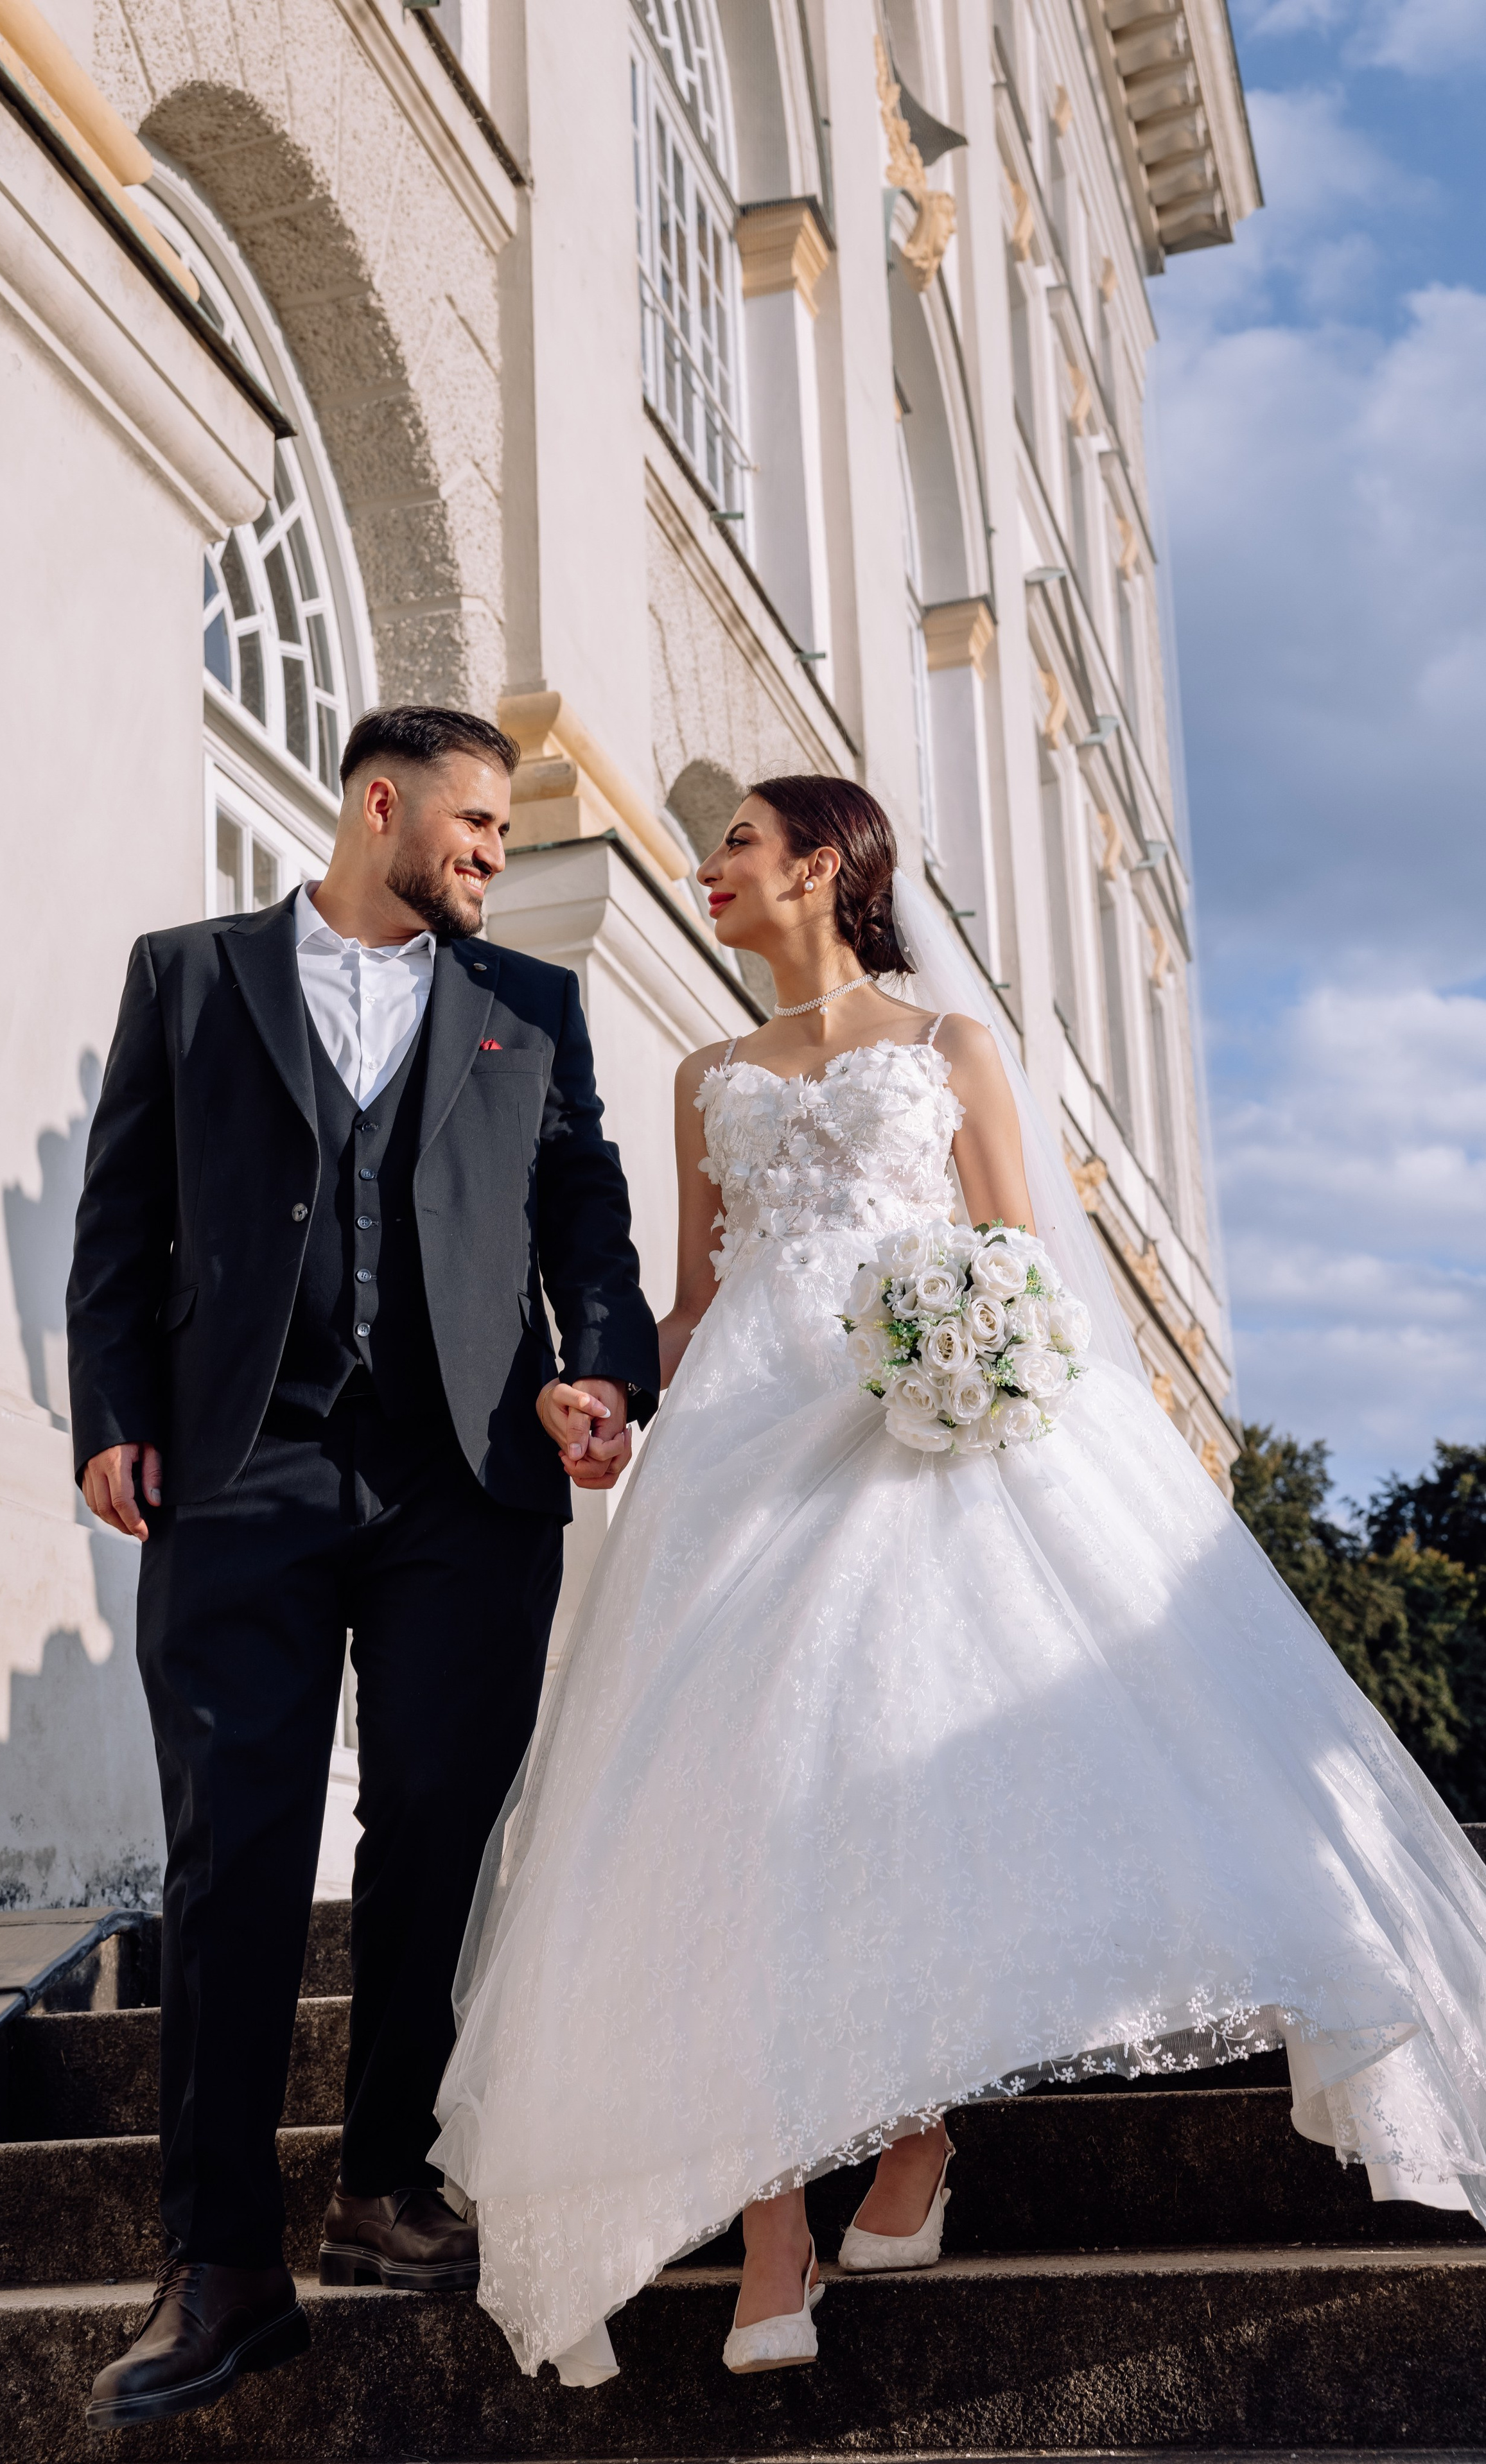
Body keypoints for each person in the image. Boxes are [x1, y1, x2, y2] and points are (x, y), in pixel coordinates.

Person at [431, 772, 1486, 2386]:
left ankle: (913, 2133)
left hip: (901, 1438)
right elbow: (701, 1292)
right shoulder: (705, 1070)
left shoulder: (948, 1051)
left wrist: (975, 1367)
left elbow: (1024, 1258)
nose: (707, 866)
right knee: (719, 1806)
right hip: (732, 1459)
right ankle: (770, 2222)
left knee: (864, 1788)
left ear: (822, 868)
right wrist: (607, 1393)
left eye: (735, 844)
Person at [66, 704, 658, 2429]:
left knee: (433, 1828)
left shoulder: (530, 1008)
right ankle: (220, 2255)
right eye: (475, 825)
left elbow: (588, 1213)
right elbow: (124, 1218)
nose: (492, 855)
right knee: (231, 1849)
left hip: (465, 1475)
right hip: (241, 1464)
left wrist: (602, 1364)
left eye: (505, 836)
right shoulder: (187, 976)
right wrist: (111, 1407)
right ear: (379, 804)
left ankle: (385, 2176)